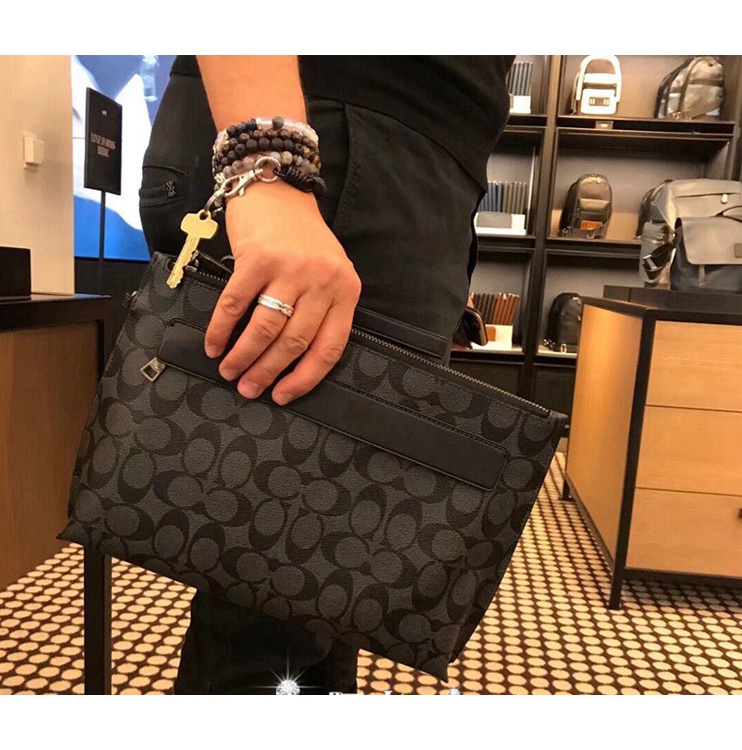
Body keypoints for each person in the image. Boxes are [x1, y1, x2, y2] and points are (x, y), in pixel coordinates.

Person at [139, 54, 515, 695]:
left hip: (398, 165)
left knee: (326, 593)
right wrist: (267, 159)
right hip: (326, 140)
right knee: (274, 614)